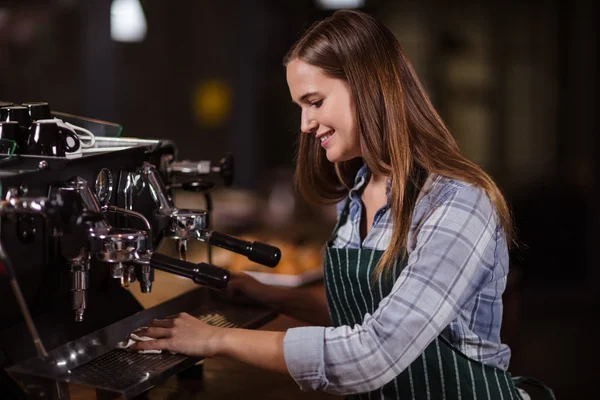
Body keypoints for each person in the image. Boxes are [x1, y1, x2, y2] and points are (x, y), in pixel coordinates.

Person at [131, 10, 537, 399]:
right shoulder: (357, 198)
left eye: (315, 101)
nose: (305, 124)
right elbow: (364, 316)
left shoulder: (458, 204)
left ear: (367, 87)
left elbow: (373, 353)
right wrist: (269, 294)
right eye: (300, 108)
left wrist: (215, 339)